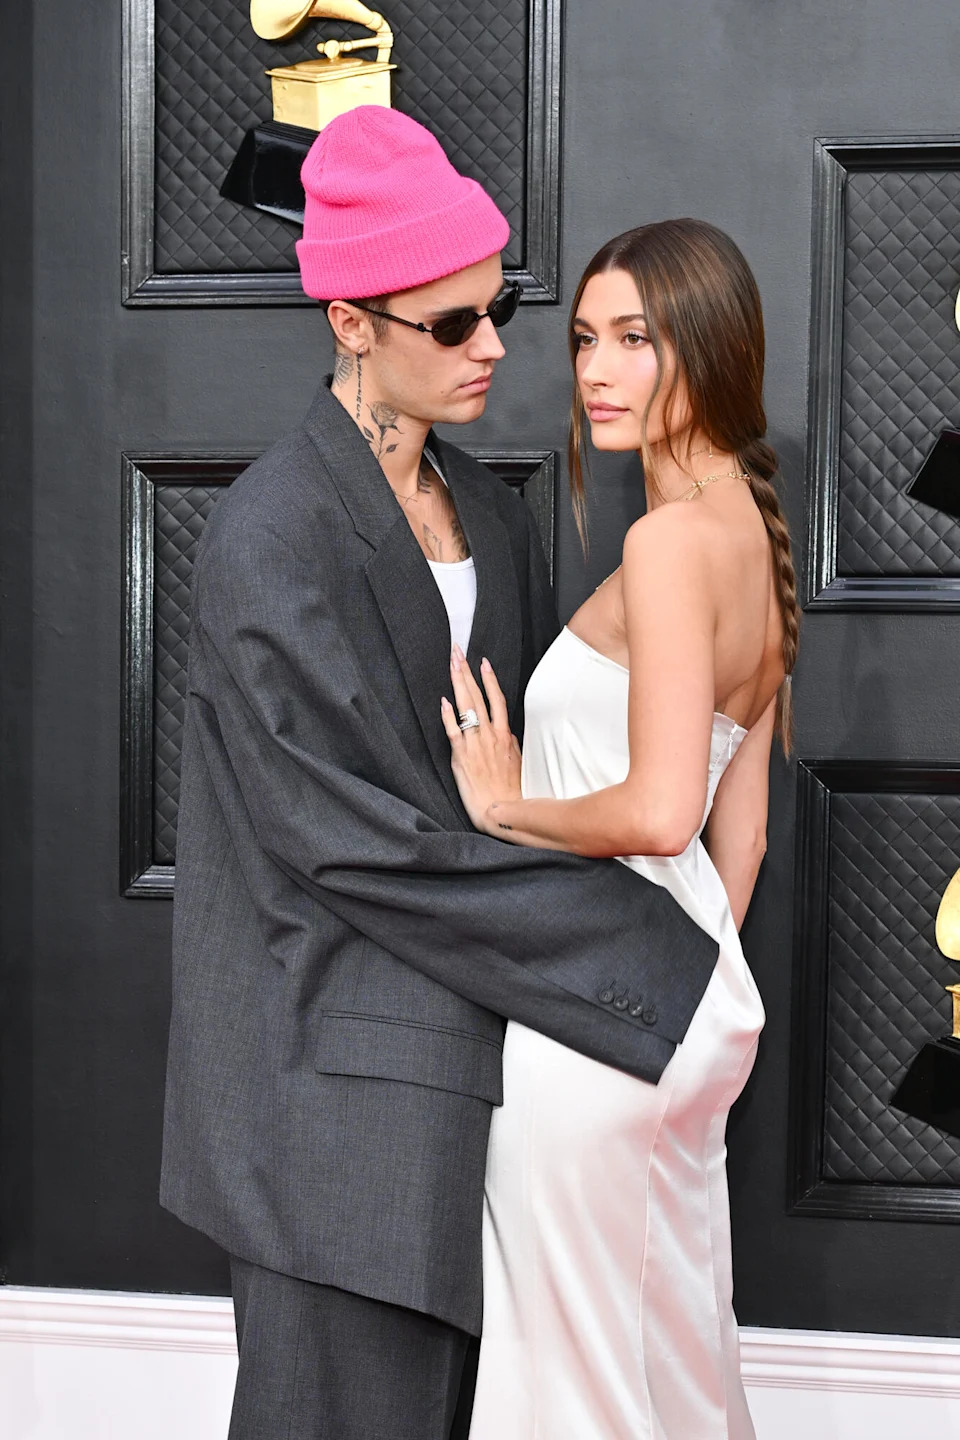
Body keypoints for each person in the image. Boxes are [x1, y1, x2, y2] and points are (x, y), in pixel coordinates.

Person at [160, 114, 719, 1440]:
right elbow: (351, 843)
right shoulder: (270, 538)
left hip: (493, 1068)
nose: (495, 350)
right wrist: (664, 963)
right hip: (329, 1091)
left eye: (502, 308)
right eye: (451, 324)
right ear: (350, 321)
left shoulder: (498, 511)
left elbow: (498, 791)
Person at [443, 219, 800, 1440]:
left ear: (707, 348)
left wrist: (504, 805)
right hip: (690, 1008)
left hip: (596, 1015)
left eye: (636, 340)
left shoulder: (665, 544)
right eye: (588, 337)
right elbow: (734, 842)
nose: (596, 368)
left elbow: (659, 815)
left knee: (575, 1388)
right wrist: (682, 997)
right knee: (678, 1371)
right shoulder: (754, 530)